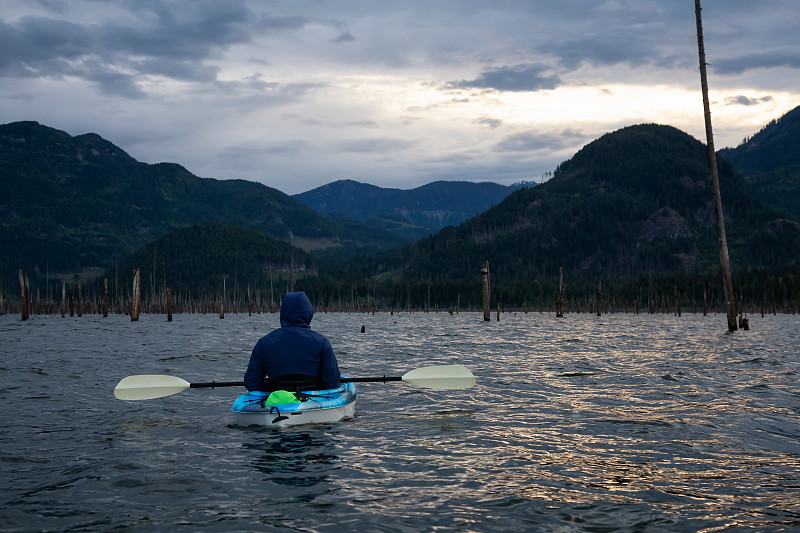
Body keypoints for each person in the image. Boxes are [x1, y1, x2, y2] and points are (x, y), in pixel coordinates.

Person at [244, 291, 341, 392]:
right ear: (308, 313)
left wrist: (269, 386)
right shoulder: (322, 342)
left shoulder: (263, 343)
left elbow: (252, 383)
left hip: (277, 400)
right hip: (312, 401)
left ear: (283, 313)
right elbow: (332, 383)